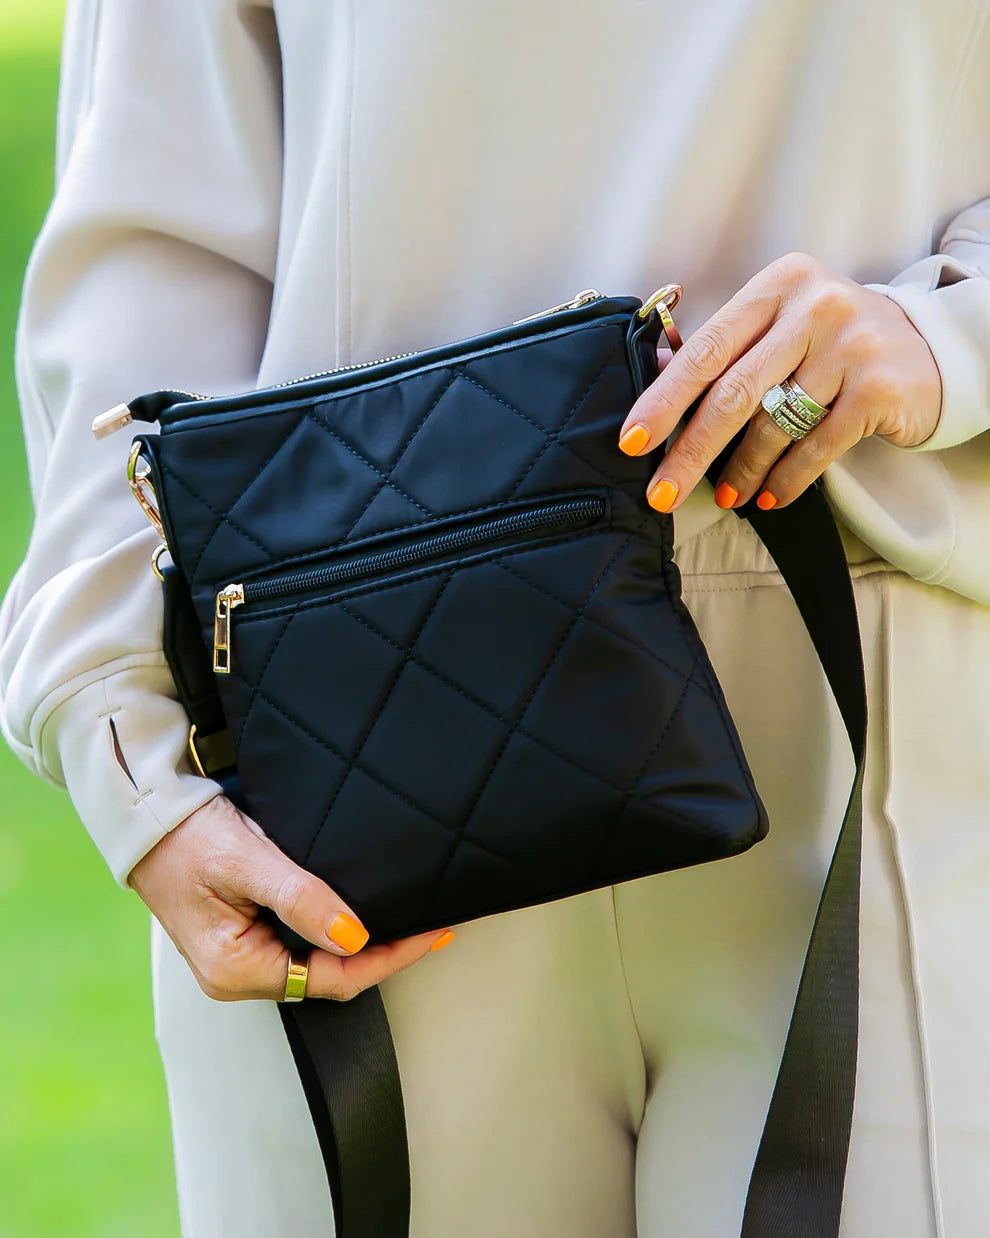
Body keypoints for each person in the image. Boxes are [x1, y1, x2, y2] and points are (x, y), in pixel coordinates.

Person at [2, 1, 989, 1234]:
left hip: (866, 708)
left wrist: (947, 333)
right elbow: (145, 233)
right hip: (339, 751)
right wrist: (125, 747)